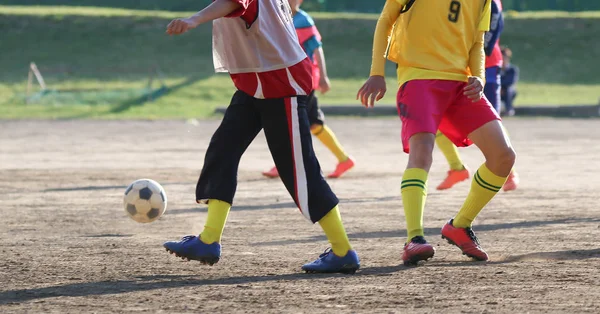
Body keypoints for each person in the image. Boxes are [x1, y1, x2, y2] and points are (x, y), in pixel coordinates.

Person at [162, 0, 360, 274]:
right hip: (254, 82)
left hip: (280, 82)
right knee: (223, 150)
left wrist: (195, 19)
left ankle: (343, 251)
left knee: (299, 171)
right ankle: (209, 239)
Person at [357, 0, 516, 265]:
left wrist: (480, 77)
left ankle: (460, 225)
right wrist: (377, 72)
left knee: (504, 156)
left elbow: (478, 42)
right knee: (422, 154)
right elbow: (386, 20)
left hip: (462, 83)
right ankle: (414, 239)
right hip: (419, 77)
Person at [262, 0, 355, 180]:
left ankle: (284, 165)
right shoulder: (278, 18)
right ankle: (343, 159)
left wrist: (323, 76)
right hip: (290, 79)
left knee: (292, 121)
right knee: (312, 123)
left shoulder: (303, 20)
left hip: (303, 80)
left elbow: (317, 50)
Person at [434, 0, 518, 193]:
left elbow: (495, 22)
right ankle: (457, 168)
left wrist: (477, 52)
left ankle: (508, 170)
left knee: (491, 118)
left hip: (485, 66)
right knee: (437, 116)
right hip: (455, 64)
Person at [501, 46, 519, 117]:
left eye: (504, 58)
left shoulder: (512, 69)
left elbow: (510, 81)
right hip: (498, 89)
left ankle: (509, 109)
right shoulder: (496, 69)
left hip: (508, 91)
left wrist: (501, 87)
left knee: (508, 90)